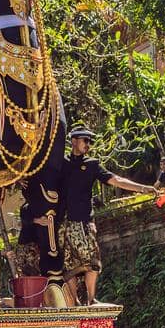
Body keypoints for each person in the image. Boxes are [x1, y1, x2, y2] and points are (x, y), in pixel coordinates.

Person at [56, 127, 154, 306]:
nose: (88, 144)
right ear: (74, 141)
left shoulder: (92, 164)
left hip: (85, 221)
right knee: (68, 265)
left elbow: (116, 180)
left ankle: (91, 299)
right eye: (85, 140)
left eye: (90, 141)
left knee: (93, 261)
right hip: (64, 222)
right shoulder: (60, 163)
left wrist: (143, 188)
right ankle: (74, 303)